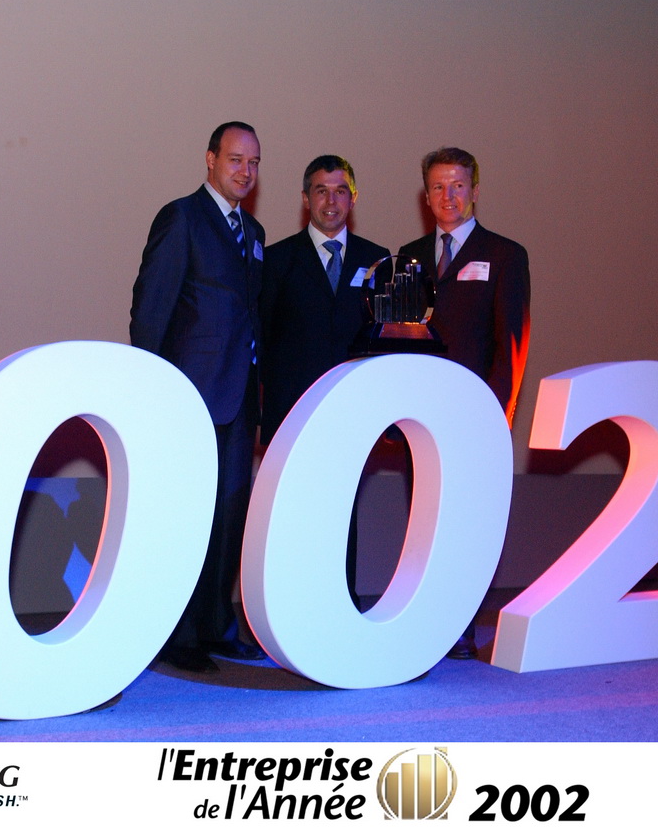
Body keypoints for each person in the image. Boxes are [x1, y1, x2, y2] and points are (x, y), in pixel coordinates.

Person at [129, 122, 267, 673]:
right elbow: (150, 310)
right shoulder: (181, 218)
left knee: (228, 516)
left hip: (239, 397)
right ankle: (178, 634)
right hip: (189, 396)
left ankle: (215, 625)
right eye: (235, 159)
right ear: (210, 159)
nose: (245, 171)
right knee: (187, 517)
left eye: (253, 163)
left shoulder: (254, 230)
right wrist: (155, 392)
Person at [397, 146, 531, 658]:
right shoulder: (409, 255)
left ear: (474, 190)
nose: (448, 196)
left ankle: (460, 626)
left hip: (475, 417)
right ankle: (424, 621)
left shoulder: (505, 255)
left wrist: (497, 418)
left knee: (466, 525)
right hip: (422, 419)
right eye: (438, 187)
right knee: (423, 522)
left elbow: (511, 346)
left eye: (457, 185)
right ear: (426, 195)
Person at [260, 155, 391, 608]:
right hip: (291, 415)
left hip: (351, 414)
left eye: (340, 191)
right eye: (321, 191)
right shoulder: (276, 260)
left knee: (343, 513)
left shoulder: (377, 260)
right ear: (305, 199)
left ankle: (341, 608)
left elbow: (384, 340)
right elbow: (262, 339)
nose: (330, 201)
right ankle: (288, 608)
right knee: (293, 515)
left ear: (353, 198)